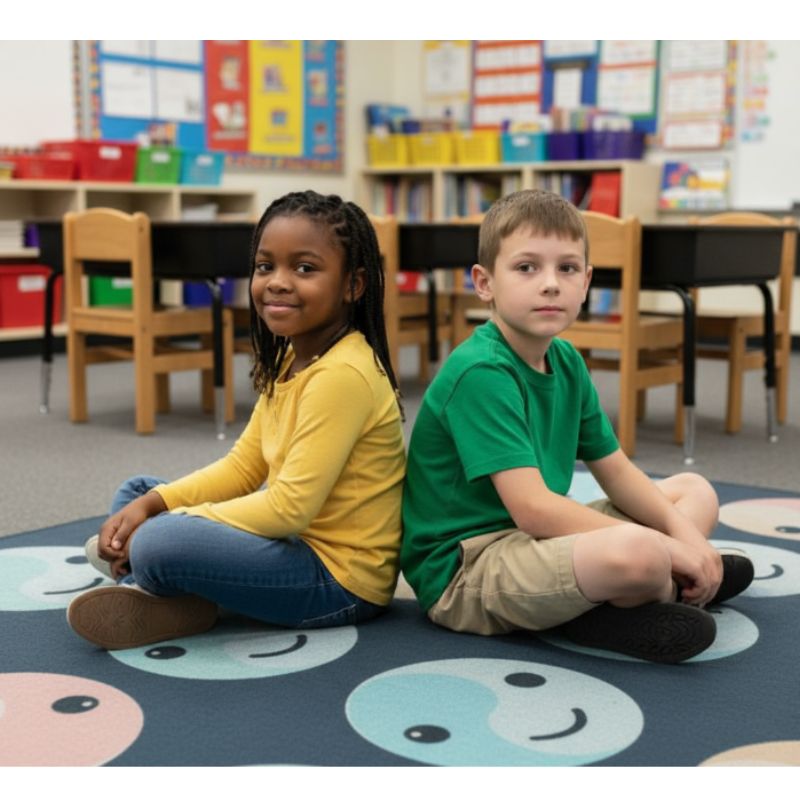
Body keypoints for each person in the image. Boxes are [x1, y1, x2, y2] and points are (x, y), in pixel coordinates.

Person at [400, 189, 754, 664]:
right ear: (484, 283)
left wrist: (684, 538)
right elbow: (533, 510)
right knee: (642, 553)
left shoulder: (565, 360)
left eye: (567, 269)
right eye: (526, 268)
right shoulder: (480, 371)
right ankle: (637, 598)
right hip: (467, 570)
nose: (550, 284)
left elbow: (618, 472)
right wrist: (670, 548)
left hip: (534, 544)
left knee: (694, 491)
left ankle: (643, 592)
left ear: (586, 282)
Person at [68, 190, 406, 650]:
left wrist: (171, 522)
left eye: (304, 268)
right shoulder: (293, 354)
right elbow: (243, 468)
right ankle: (167, 590)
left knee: (158, 538)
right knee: (138, 493)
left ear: (353, 285)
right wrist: (155, 506)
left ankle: (150, 578)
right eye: (266, 266)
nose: (278, 282)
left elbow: (289, 508)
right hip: (294, 545)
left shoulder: (342, 375)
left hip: (338, 582)